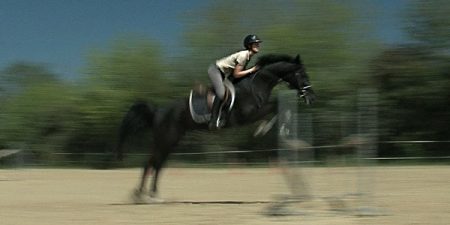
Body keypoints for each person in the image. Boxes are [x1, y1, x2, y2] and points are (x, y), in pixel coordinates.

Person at [207, 34, 262, 129]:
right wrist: (252, 70)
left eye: (258, 43)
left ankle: (225, 116)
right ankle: (213, 120)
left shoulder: (248, 56)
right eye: (255, 43)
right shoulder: (244, 55)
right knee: (221, 93)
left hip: (224, 74)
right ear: (249, 46)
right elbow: (237, 74)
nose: (258, 45)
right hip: (215, 70)